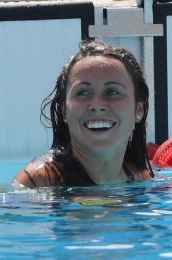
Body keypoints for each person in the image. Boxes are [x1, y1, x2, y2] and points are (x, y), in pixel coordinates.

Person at [13, 40, 154, 188]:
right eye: (83, 93)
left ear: (139, 110)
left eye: (112, 92)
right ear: (64, 111)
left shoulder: (141, 178)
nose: (97, 106)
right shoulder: (38, 182)